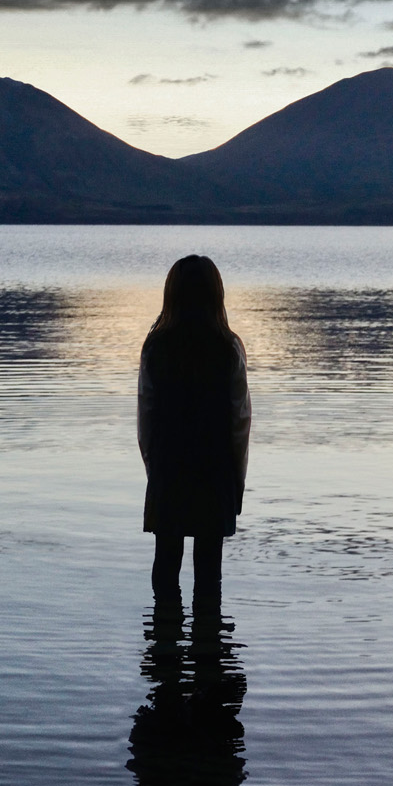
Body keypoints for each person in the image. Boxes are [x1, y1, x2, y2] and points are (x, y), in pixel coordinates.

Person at [138, 255, 252, 617]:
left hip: (168, 468)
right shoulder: (228, 347)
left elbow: (147, 418)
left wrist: (153, 472)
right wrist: (238, 480)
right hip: (215, 470)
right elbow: (240, 421)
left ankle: (165, 656)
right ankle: (209, 660)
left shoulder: (156, 348)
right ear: (216, 295)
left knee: (165, 567)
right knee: (209, 574)